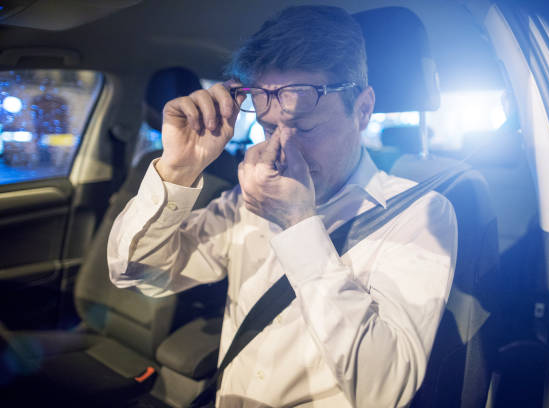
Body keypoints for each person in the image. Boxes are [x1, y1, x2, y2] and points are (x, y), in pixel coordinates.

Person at [108, 5, 457, 407]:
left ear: (362, 109)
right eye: (270, 127)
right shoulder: (246, 200)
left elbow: (384, 390)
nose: (281, 149)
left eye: (305, 128)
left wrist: (297, 224)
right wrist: (177, 171)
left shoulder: (421, 215)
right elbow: (136, 272)